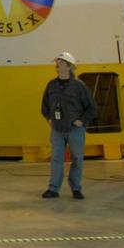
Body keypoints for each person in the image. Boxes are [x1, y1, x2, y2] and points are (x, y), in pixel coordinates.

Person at [40, 51, 97, 200]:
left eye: (60, 62)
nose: (57, 65)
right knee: (56, 159)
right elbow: (45, 105)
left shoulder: (79, 86)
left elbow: (92, 108)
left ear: (69, 66)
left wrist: (82, 120)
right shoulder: (51, 85)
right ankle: (53, 189)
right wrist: (49, 118)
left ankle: (76, 188)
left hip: (75, 129)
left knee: (77, 158)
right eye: (57, 62)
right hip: (57, 129)